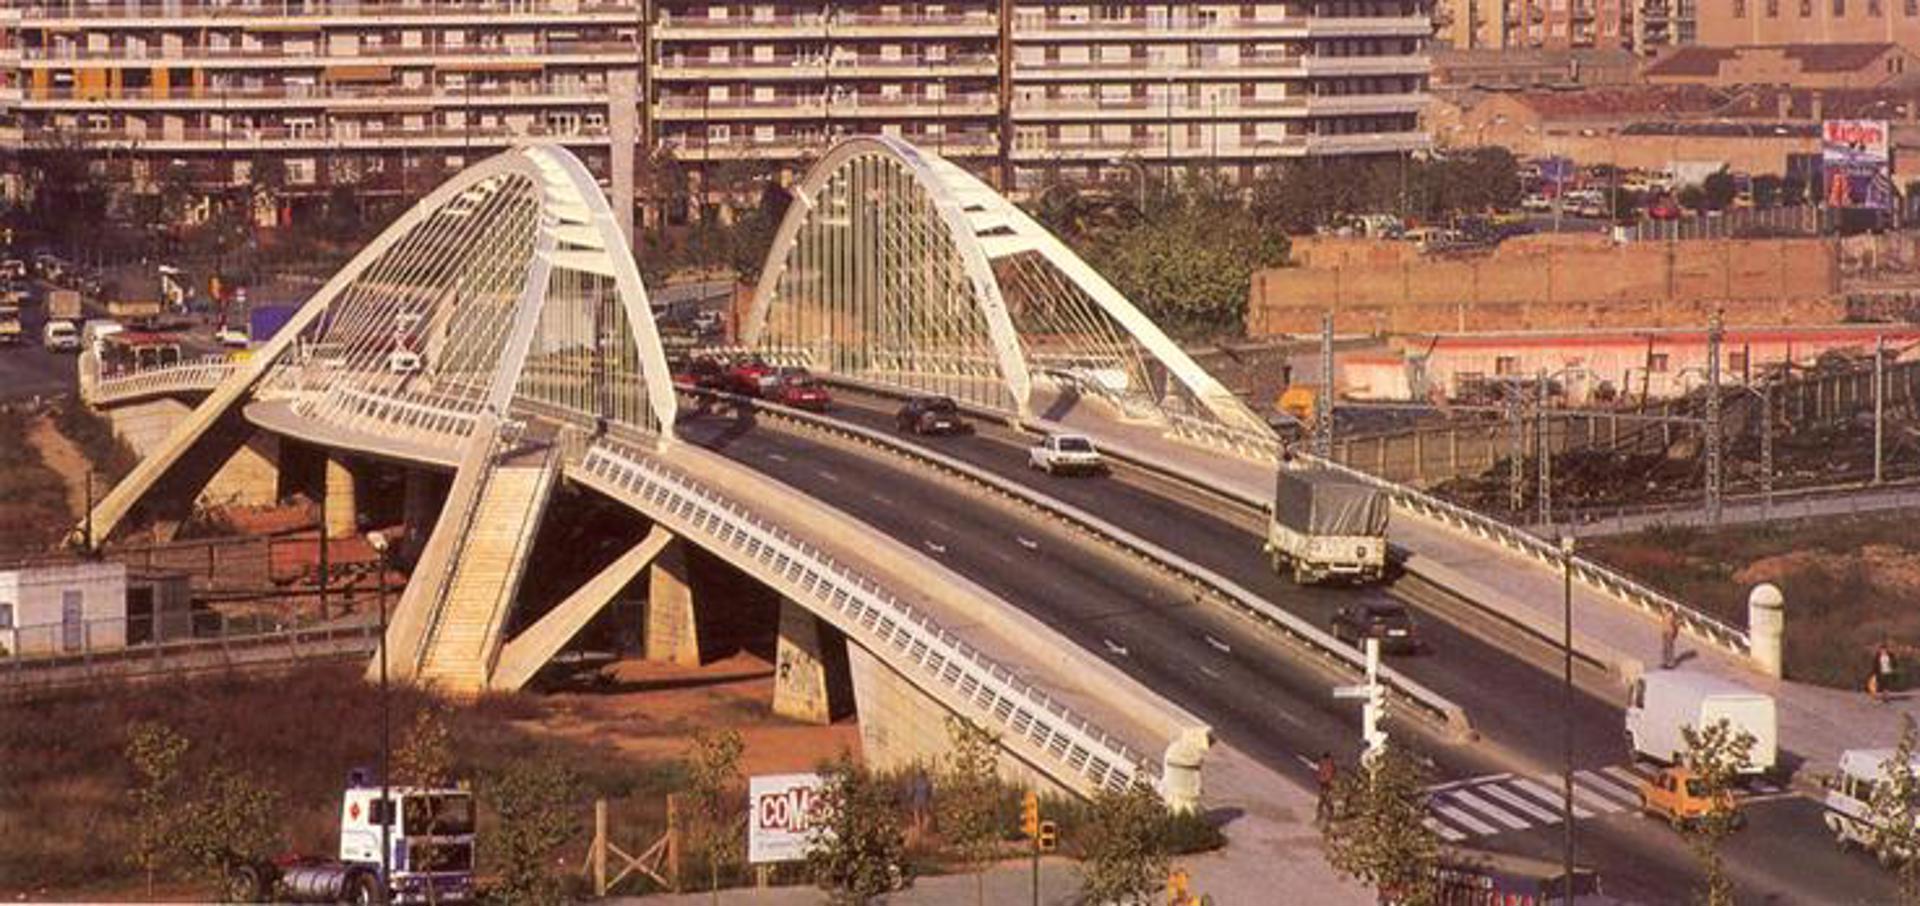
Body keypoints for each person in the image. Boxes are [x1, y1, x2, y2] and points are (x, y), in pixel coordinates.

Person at [1315, 751, 1338, 822]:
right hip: (1327, 782)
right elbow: (1333, 772)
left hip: (1325, 782)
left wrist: (1320, 778)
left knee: (1323, 800)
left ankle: (1321, 816)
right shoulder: (1330, 763)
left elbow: (1321, 772)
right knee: (1324, 800)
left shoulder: (1323, 763)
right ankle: (1328, 814)